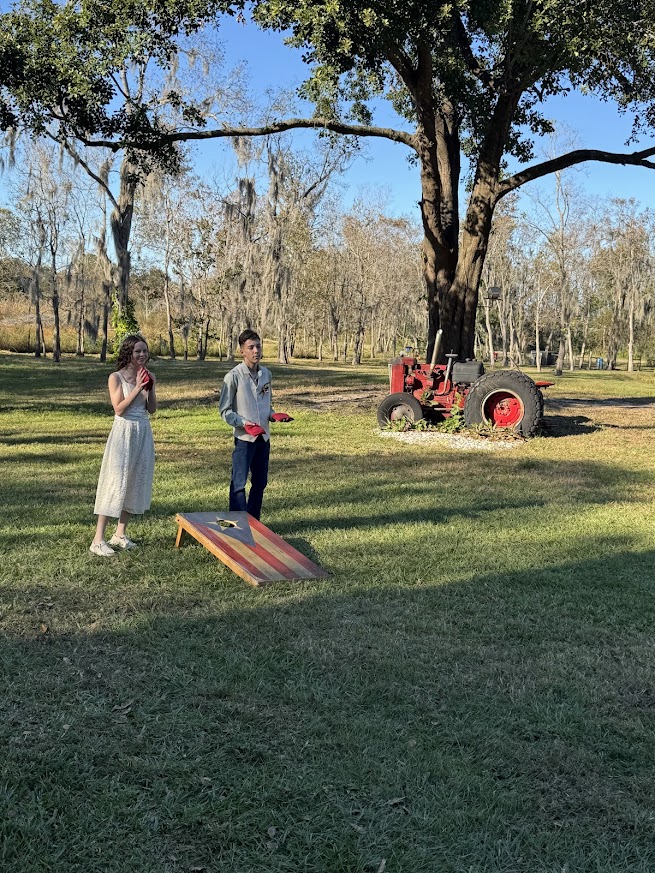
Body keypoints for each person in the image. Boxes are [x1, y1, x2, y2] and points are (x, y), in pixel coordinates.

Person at [90, 334, 157, 556]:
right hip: (123, 432)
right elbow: (118, 409)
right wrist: (137, 387)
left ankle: (119, 534)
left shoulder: (149, 375)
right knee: (115, 481)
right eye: (138, 351)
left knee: (134, 480)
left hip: (142, 430)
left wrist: (150, 387)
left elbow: (152, 409)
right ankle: (98, 540)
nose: (142, 355)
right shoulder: (116, 377)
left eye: (145, 351)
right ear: (129, 353)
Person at [219, 329, 292, 520]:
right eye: (251, 347)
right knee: (239, 484)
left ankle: (253, 521)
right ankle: (237, 523)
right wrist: (244, 423)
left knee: (260, 483)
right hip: (244, 439)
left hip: (263, 438)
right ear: (242, 351)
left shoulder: (266, 374)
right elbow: (225, 411)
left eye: (258, 346)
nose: (256, 351)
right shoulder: (233, 376)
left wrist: (274, 415)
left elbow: (265, 403)